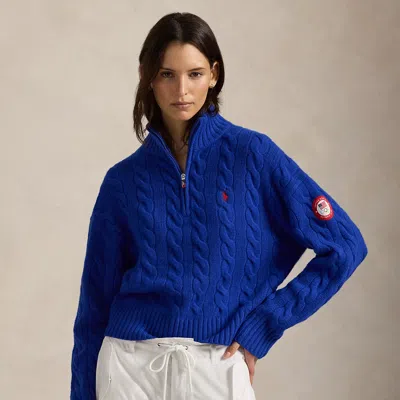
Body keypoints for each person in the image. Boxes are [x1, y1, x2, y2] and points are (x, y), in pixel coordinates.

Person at [70, 12, 368, 400]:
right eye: (167, 74)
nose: (181, 90)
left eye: (194, 74)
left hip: (216, 366)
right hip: (128, 368)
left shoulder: (253, 155)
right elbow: (93, 310)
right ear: (147, 76)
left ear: (213, 74)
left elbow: (345, 245)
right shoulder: (122, 180)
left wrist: (265, 325)